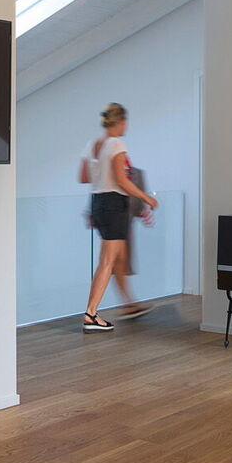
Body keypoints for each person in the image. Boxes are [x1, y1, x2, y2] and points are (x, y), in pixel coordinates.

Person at [79, 102, 158, 331]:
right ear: (121, 121)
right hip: (114, 204)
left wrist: (101, 172)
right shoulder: (116, 144)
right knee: (107, 261)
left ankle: (129, 304)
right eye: (126, 122)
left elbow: (83, 177)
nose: (126, 126)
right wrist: (147, 198)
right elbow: (122, 181)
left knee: (119, 257)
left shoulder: (92, 145)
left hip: (97, 202)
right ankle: (91, 314)